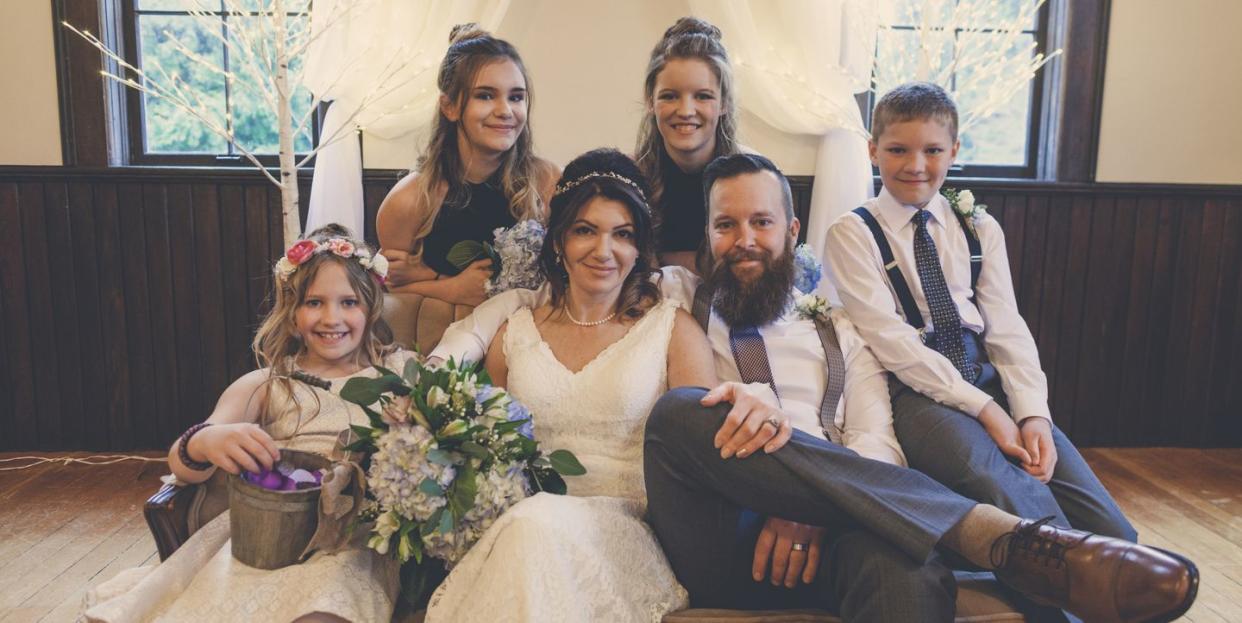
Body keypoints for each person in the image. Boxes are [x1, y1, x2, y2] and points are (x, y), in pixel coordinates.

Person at [641, 153, 1197, 623]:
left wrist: (809, 506)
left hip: (839, 527)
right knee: (680, 412)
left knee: (910, 568)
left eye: (761, 223)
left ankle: (999, 542)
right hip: (727, 529)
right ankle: (989, 534)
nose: (745, 241)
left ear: (791, 232)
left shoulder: (841, 324)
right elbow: (597, 271)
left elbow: (878, 441)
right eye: (725, 226)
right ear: (706, 238)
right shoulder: (673, 297)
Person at [823, 83, 1136, 543]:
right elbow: (891, 341)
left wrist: (1031, 414)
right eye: (897, 150)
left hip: (985, 375)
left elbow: (1006, 328)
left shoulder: (979, 226)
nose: (915, 165)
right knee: (1010, 494)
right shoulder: (853, 233)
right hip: (914, 391)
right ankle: (1071, 594)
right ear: (873, 151)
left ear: (954, 150)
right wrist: (986, 411)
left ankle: (1116, 586)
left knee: (1109, 525)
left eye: (932, 150)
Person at [423, 149, 717, 622]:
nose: (604, 251)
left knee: (533, 526)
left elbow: (701, 457)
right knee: (530, 527)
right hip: (524, 529)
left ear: (640, 247)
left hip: (627, 533)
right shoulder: (514, 332)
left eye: (622, 235)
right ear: (558, 240)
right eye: (586, 230)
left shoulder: (673, 331)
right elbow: (486, 449)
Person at [83, 225, 415, 622]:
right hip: (268, 530)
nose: (332, 317)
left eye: (348, 302)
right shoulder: (268, 384)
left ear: (372, 307)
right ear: (292, 315)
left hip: (353, 536)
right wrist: (206, 444)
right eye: (314, 303)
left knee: (325, 603)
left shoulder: (401, 372)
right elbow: (181, 460)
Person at [377, 24, 559, 307]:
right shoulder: (408, 202)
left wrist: (430, 278)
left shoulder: (547, 182)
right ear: (449, 107)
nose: (505, 111)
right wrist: (449, 287)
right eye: (485, 95)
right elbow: (389, 299)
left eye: (516, 97)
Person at [635, 16, 742, 272]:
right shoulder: (629, 177)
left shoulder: (752, 177)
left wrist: (662, 260)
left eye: (703, 96)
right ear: (650, 101)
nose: (686, 111)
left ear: (724, 103)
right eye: (670, 96)